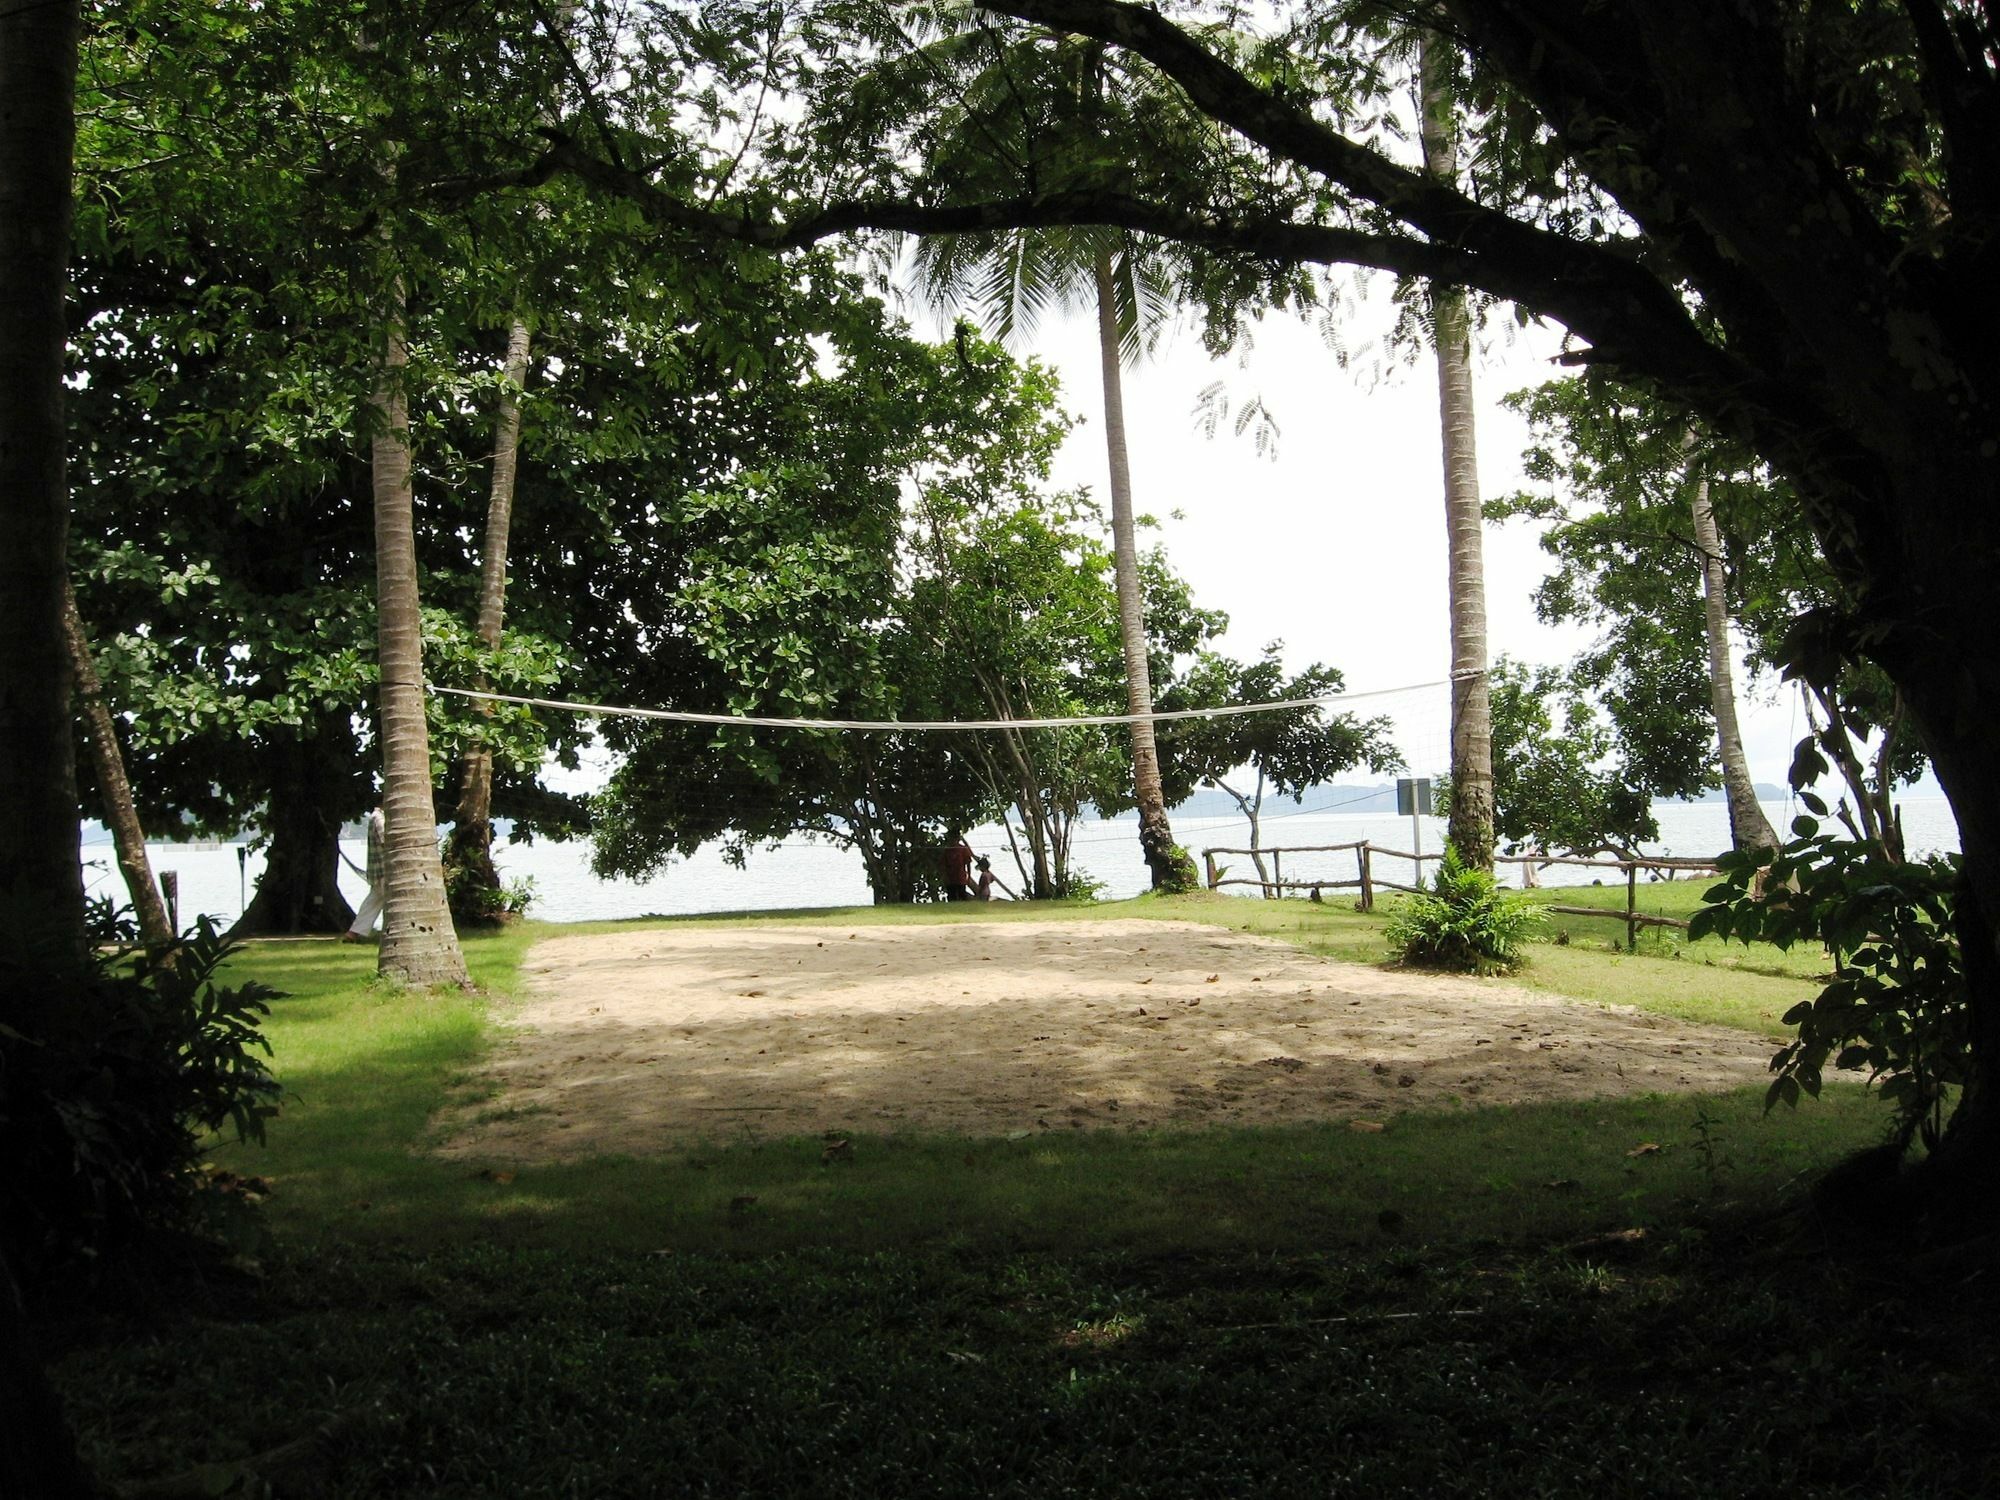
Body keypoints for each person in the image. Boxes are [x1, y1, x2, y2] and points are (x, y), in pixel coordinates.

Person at [342, 807, 386, 942]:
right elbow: (386, 839)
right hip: (383, 869)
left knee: (373, 902)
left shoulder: (377, 816)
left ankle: (353, 933)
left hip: (379, 870)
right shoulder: (379, 817)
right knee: (381, 901)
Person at [941, 830, 975, 901]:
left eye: (953, 838)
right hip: (950, 878)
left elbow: (968, 863)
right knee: (951, 897)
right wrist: (945, 877)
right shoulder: (947, 850)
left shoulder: (963, 849)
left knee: (962, 896)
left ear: (957, 839)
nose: (951, 840)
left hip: (960, 877)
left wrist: (969, 876)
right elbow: (943, 865)